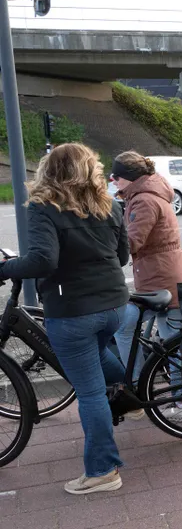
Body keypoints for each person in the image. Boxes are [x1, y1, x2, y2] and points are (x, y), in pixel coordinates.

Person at [0, 143, 130, 494]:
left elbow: (43, 261)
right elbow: (121, 257)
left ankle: (103, 471)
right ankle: (128, 393)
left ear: (49, 171)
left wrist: (5, 268)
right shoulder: (111, 205)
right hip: (115, 307)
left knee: (89, 395)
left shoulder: (45, 208)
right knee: (98, 354)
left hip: (74, 312)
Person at [110, 150, 182, 421]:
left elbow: (133, 241)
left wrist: (103, 249)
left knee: (169, 343)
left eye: (116, 177)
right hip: (159, 276)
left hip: (162, 279)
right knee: (141, 331)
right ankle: (139, 386)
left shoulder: (144, 200)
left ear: (129, 178)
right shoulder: (146, 193)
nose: (113, 181)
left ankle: (179, 404)